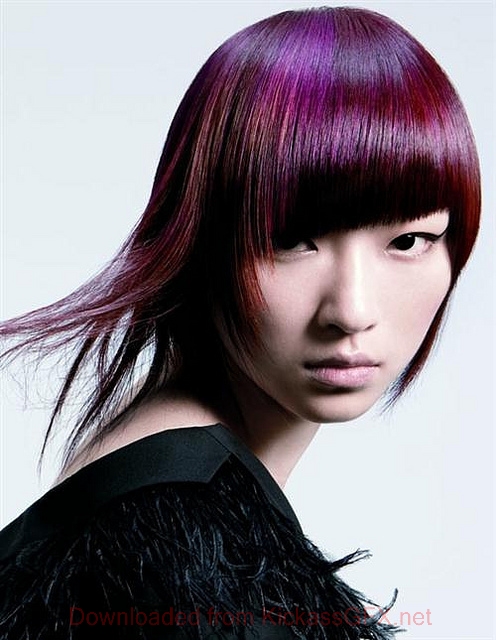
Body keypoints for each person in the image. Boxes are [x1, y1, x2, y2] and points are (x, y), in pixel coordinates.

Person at [0, 6, 481, 639]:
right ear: (199, 237)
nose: (352, 311)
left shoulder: (147, 503)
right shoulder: (181, 564)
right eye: (291, 241)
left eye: (409, 241)